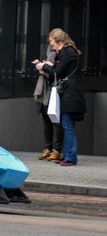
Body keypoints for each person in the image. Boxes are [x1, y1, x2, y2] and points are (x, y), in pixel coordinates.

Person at [35, 29, 86, 166]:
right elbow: (61, 70)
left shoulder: (67, 52)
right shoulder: (68, 52)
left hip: (70, 94)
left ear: (60, 41)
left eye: (52, 43)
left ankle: (71, 157)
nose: (52, 46)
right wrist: (49, 66)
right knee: (66, 125)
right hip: (70, 93)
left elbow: (58, 72)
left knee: (67, 126)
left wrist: (45, 66)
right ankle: (67, 155)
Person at [32, 44, 63, 161]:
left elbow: (57, 74)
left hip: (53, 92)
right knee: (47, 122)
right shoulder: (49, 56)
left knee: (55, 121)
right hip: (45, 93)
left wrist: (45, 68)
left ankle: (56, 149)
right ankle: (49, 148)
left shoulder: (59, 57)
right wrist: (41, 67)